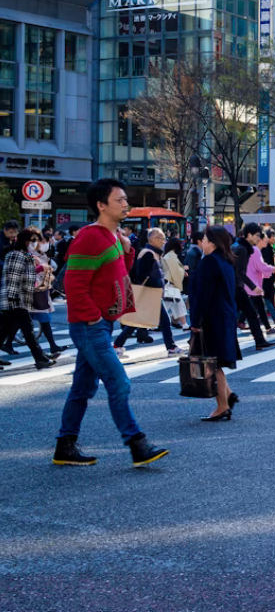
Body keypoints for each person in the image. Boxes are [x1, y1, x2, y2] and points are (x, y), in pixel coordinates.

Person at [53, 178, 168, 468]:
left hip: (102, 323)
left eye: (125, 199)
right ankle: (136, 443)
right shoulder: (91, 236)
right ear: (101, 205)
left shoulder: (114, 236)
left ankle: (65, 446)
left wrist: (127, 249)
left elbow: (118, 274)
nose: (125, 204)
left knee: (81, 389)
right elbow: (74, 282)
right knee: (118, 381)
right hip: (91, 325)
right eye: (119, 200)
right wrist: (92, 316)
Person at [189, 227, 242, 421]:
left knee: (213, 364)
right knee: (216, 362)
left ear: (212, 242)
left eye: (203, 238)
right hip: (225, 316)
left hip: (212, 318)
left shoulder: (210, 262)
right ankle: (228, 395)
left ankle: (222, 406)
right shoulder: (226, 261)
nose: (201, 242)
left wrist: (195, 321)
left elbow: (203, 296)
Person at [114, 228, 182, 357]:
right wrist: (156, 286)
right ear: (153, 239)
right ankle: (171, 347)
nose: (164, 242)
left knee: (138, 321)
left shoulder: (152, 253)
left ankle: (118, 345)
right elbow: (142, 275)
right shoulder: (148, 254)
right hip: (149, 293)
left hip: (151, 293)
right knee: (163, 321)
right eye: (162, 239)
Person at [1, 228, 58, 368]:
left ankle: (41, 357)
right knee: (28, 328)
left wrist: (39, 266)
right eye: (33, 240)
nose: (35, 243)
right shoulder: (15, 254)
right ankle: (40, 358)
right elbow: (13, 278)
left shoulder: (23, 255)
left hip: (19, 298)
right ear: (25, 240)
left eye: (36, 240)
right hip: (14, 298)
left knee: (5, 329)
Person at [231, 224, 275, 351]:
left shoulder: (238, 246)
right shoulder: (243, 249)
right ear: (249, 235)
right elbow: (240, 272)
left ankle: (259, 341)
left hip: (234, 285)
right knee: (246, 313)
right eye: (257, 235)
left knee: (246, 313)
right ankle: (259, 341)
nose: (259, 238)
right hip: (236, 286)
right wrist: (253, 287)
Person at [161, 237, 189, 329]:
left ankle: (184, 324)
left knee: (177, 305)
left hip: (169, 284)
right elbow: (175, 271)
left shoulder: (168, 255)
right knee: (170, 306)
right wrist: (183, 269)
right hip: (171, 284)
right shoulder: (171, 256)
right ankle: (184, 324)